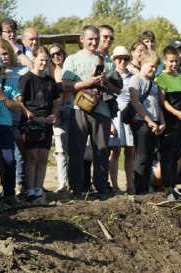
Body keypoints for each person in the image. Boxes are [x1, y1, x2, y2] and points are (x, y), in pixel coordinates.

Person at [62, 24, 121, 200]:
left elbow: (117, 90)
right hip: (78, 108)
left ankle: (102, 187)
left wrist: (106, 84)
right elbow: (65, 86)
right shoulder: (72, 59)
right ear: (82, 39)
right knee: (76, 151)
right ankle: (77, 189)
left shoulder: (108, 62)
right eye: (90, 39)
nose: (94, 42)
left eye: (96, 39)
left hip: (102, 110)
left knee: (102, 150)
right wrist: (88, 82)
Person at [17, 46, 60, 206]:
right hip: (31, 123)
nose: (44, 63)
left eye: (46, 61)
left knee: (42, 157)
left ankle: (38, 188)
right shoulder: (26, 78)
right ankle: (29, 191)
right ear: (34, 59)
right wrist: (30, 115)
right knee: (31, 157)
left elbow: (56, 103)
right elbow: (19, 101)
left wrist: (53, 115)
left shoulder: (50, 81)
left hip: (46, 124)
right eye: (41, 59)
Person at [156, 45, 181, 199]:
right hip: (170, 120)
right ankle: (166, 186)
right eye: (171, 61)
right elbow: (162, 102)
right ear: (165, 60)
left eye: (176, 61)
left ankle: (173, 185)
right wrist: (177, 113)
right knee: (167, 154)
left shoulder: (179, 76)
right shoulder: (161, 78)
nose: (174, 64)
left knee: (177, 154)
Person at [128, 50, 164, 195]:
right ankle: (139, 190)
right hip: (141, 122)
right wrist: (149, 120)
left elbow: (157, 105)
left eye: (156, 67)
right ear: (143, 63)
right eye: (151, 66)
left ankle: (145, 189)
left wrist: (162, 122)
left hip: (154, 123)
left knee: (150, 157)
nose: (154, 69)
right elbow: (135, 101)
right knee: (141, 157)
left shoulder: (154, 83)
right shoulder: (136, 79)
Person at [108, 46, 135, 194]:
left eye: (125, 59)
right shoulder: (110, 77)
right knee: (115, 151)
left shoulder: (133, 77)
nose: (122, 61)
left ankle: (130, 185)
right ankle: (114, 186)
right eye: (120, 59)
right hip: (115, 115)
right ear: (115, 60)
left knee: (130, 151)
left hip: (129, 116)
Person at [0, 55, 22, 206]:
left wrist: (2, 96)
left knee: (9, 160)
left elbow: (16, 108)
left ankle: (9, 193)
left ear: (2, 69)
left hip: (5, 126)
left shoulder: (10, 84)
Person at [48, 42, 70, 192]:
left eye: (59, 53)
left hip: (72, 109)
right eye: (53, 54)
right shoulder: (49, 72)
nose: (56, 56)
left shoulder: (70, 69)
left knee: (73, 148)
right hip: (56, 112)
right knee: (60, 147)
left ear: (63, 53)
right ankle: (62, 183)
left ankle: (74, 181)